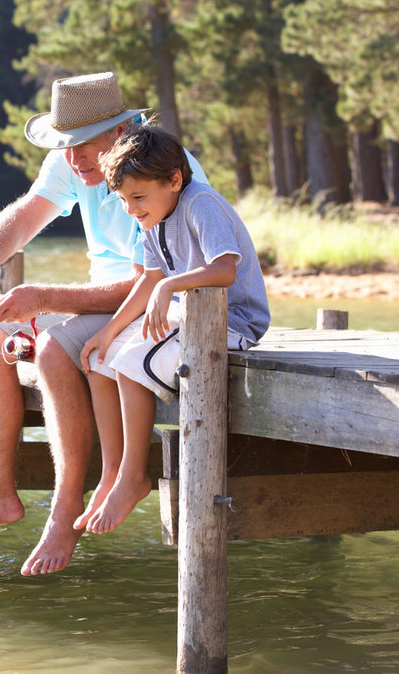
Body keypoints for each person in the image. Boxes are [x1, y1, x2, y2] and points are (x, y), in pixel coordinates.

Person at [0, 72, 208, 575]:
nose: (74, 158)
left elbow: (157, 280)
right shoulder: (73, 162)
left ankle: (64, 514)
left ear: (120, 131)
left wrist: (44, 297)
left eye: (83, 144)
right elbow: (22, 216)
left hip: (159, 307)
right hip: (103, 302)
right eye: (66, 145)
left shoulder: (163, 170)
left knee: (54, 351)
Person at [76, 124, 269, 534]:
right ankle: (115, 470)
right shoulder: (153, 216)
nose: (131, 209)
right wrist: (110, 329)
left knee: (130, 363)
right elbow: (149, 279)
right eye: (124, 200)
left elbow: (224, 269)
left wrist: (170, 285)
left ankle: (133, 477)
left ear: (174, 179)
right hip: (191, 318)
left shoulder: (201, 205)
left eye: (138, 197)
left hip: (233, 322)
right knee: (101, 357)